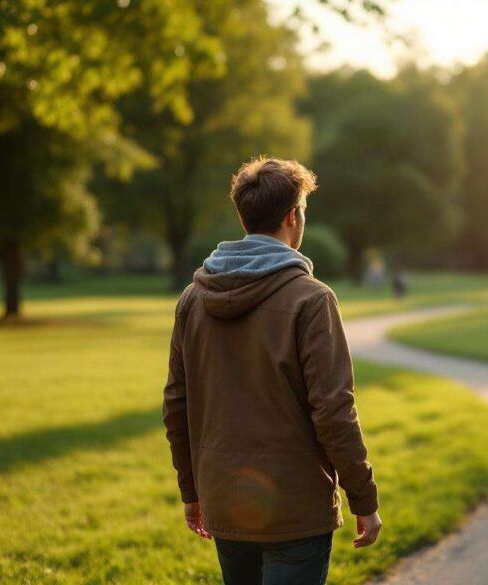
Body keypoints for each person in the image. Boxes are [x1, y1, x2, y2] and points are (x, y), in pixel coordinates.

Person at [162, 157, 382, 585]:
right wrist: (364, 499)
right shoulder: (311, 299)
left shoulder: (192, 298)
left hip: (225, 499)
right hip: (297, 510)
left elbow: (176, 404)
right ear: (291, 216)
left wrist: (191, 491)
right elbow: (334, 412)